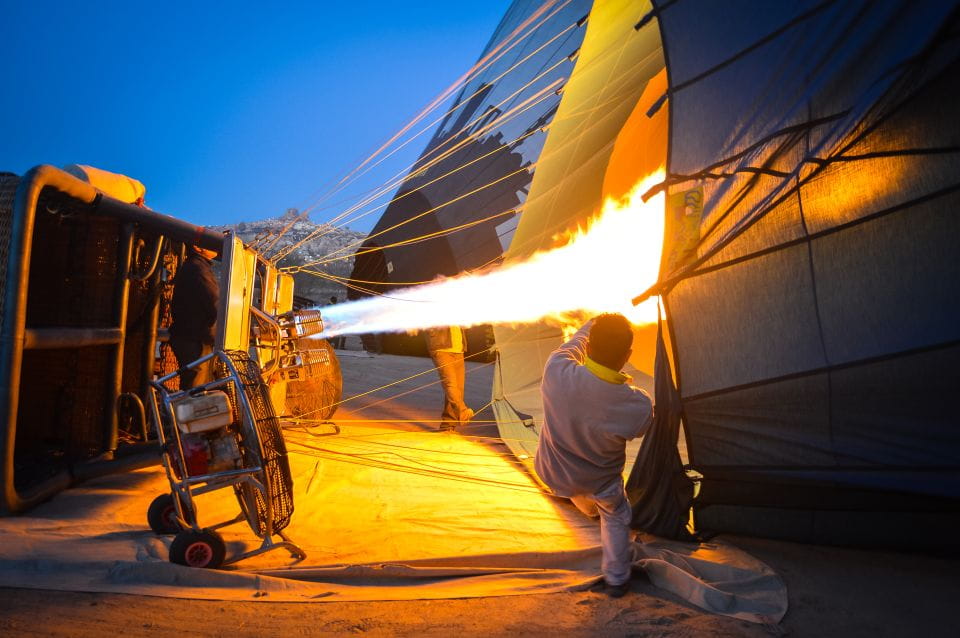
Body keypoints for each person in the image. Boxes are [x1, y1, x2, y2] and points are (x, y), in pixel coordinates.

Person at [535, 314, 653, 598]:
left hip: (553, 473)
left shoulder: (556, 371)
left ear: (588, 347)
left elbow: (573, 344)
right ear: (628, 356)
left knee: (582, 496)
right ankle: (616, 578)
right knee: (616, 513)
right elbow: (641, 427)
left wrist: (591, 324)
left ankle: (583, 503)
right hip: (599, 482)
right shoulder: (636, 404)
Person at [169, 245, 220, 389]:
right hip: (194, 340)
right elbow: (214, 301)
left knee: (198, 387)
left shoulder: (197, 267)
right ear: (198, 247)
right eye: (209, 242)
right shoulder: (198, 269)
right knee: (195, 391)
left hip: (192, 337)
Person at [425, 325, 474, 429]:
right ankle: (462, 412)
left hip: (458, 350)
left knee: (458, 388)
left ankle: (447, 424)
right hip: (441, 348)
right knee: (450, 384)